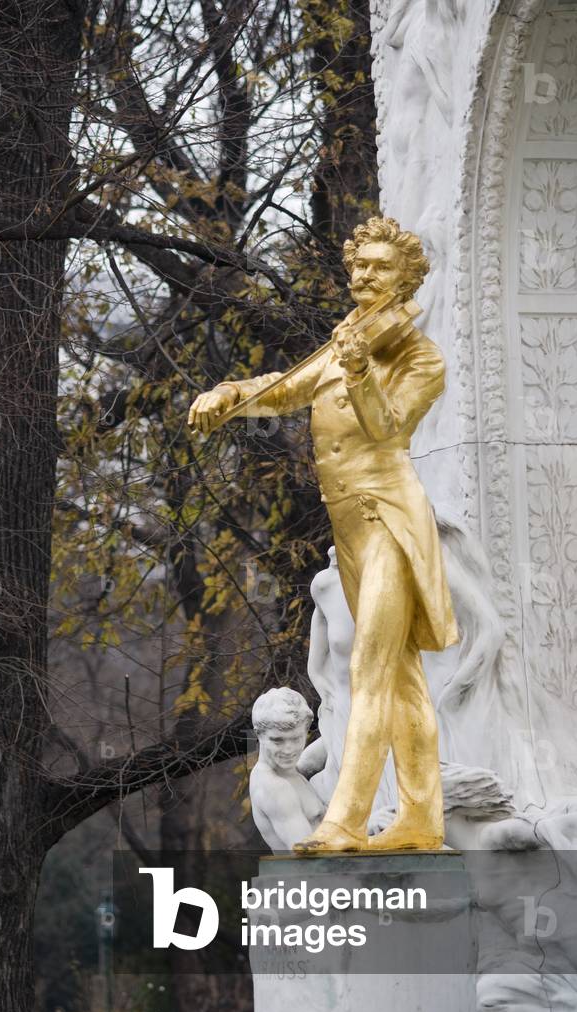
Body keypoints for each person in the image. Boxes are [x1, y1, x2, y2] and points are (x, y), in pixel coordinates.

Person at [189, 216, 458, 853]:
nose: (364, 275)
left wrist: (361, 370)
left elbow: (388, 428)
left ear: (406, 280)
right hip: (350, 529)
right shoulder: (347, 341)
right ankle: (421, 819)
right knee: (401, 677)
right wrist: (230, 392)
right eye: (359, 265)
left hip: (389, 520)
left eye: (380, 267)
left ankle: (345, 822)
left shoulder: (418, 357)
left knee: (368, 667)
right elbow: (284, 390)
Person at [249, 688, 325, 853]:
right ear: (258, 735)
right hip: (315, 869)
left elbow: (331, 741)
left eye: (296, 739)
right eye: (277, 741)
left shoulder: (289, 771)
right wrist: (363, 831)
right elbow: (307, 853)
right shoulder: (273, 787)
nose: (289, 750)